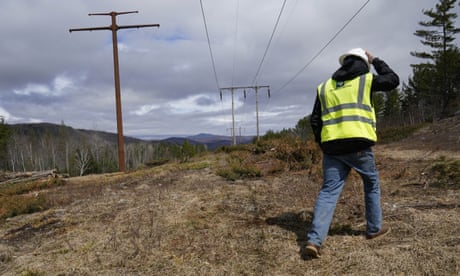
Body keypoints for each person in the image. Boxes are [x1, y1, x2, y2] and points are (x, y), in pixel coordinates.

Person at [305, 48, 400, 258]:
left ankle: (314, 240)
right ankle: (374, 229)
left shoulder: (325, 87)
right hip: (358, 145)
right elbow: (393, 80)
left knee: (329, 192)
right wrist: (376, 59)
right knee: (371, 183)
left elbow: (315, 120)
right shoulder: (366, 80)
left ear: (344, 63)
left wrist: (323, 143)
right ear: (364, 64)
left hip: (332, 147)